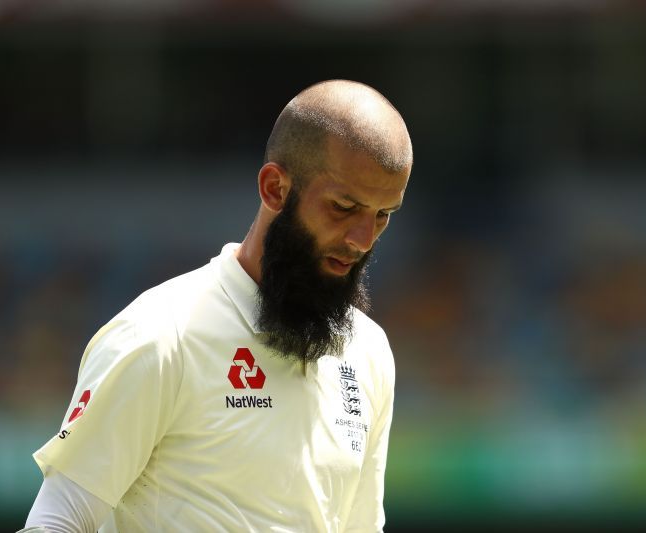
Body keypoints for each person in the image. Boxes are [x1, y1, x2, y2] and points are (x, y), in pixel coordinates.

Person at [21, 79, 413, 532]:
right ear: (275, 189)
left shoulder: (368, 352)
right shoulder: (161, 337)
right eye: (344, 207)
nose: (362, 240)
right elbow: (56, 522)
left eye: (383, 215)